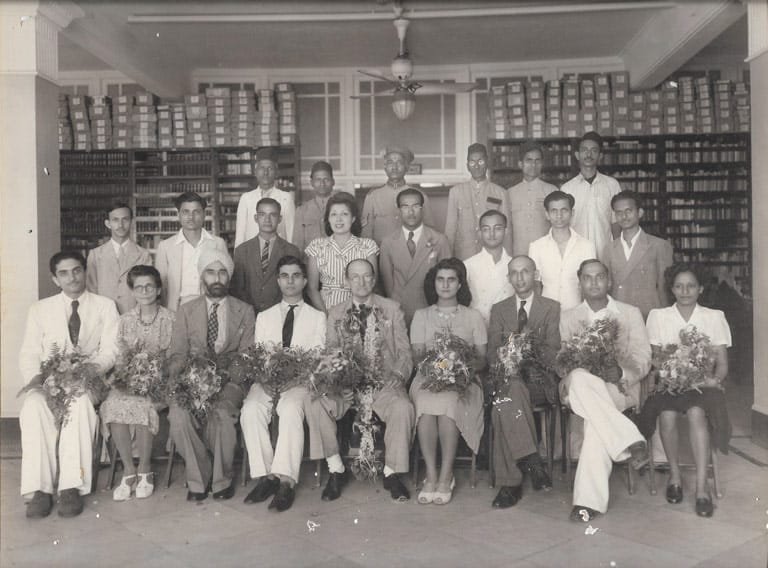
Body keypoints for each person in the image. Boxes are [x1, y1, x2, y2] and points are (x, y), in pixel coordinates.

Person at [305, 259, 416, 502]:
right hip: (347, 386)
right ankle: (336, 469)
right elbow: (331, 353)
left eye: (366, 276)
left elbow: (404, 352)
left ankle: (392, 472)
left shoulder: (392, 309)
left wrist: (398, 375)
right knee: (316, 403)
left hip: (383, 383)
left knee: (403, 407)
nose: (361, 282)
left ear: (374, 279)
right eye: (355, 277)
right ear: (347, 281)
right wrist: (338, 383)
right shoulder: (336, 313)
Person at [19, 252, 119, 518]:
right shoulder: (40, 309)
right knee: (33, 407)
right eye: (63, 273)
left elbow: (111, 350)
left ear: (85, 272)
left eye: (76, 270)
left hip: (87, 381)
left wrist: (86, 372)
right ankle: (39, 489)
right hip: (49, 382)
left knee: (80, 404)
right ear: (55, 279)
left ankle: (70, 487)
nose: (72, 278)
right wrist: (36, 381)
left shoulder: (105, 306)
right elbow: (29, 352)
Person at [635, 263, 732, 518]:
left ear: (701, 289)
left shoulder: (714, 317)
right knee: (667, 415)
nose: (685, 291)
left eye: (691, 286)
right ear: (672, 289)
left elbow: (722, 364)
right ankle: (675, 477)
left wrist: (713, 379)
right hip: (671, 383)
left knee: (696, 413)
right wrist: (672, 374)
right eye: (679, 286)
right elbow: (656, 360)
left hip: (703, 385)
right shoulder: (658, 316)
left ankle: (701, 488)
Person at [558, 259, 651, 522]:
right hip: (581, 386)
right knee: (579, 378)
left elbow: (644, 357)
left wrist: (621, 372)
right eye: (587, 277)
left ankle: (587, 504)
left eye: (599, 276)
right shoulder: (568, 317)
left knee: (595, 422)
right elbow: (562, 361)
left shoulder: (629, 313)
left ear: (609, 281)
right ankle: (629, 438)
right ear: (580, 283)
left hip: (618, 388)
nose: (594, 282)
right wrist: (580, 366)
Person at [167, 249, 255, 502]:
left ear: (229, 277)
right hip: (192, 379)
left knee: (223, 414)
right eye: (210, 272)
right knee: (178, 415)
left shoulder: (244, 310)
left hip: (230, 380)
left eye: (222, 272)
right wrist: (184, 379)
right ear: (202, 276)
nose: (216, 278)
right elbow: (178, 353)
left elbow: (247, 355)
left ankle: (221, 480)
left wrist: (222, 379)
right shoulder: (186, 310)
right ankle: (199, 476)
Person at [241, 256, 326, 512]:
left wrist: (297, 378)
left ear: (305, 281)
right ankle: (267, 476)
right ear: (278, 281)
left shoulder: (317, 317)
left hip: (300, 381)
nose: (290, 281)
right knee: (251, 410)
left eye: (296, 276)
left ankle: (286, 481)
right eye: (285, 276)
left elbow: (317, 355)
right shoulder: (264, 316)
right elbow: (259, 353)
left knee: (289, 410)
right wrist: (265, 379)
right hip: (267, 379)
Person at [409, 258, 486, 505]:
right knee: (424, 402)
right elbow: (418, 357)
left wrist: (458, 371)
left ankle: (446, 475)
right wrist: (436, 372)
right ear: (434, 283)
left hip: (463, 381)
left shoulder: (473, 316)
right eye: (440, 279)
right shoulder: (421, 316)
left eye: (451, 280)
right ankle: (431, 475)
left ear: (460, 284)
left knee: (449, 403)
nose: (445, 285)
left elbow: (482, 359)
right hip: (427, 379)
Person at [486, 255, 560, 508]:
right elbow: (491, 354)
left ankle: (511, 484)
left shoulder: (551, 307)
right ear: (508, 278)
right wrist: (508, 357)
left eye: (525, 271)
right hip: (509, 380)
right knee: (510, 392)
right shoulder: (499, 309)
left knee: (505, 401)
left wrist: (527, 348)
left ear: (535, 274)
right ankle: (532, 462)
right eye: (514, 273)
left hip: (539, 383)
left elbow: (553, 353)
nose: (520, 278)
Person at [100, 265, 175, 501]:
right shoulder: (124, 320)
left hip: (160, 381)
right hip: (130, 380)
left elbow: (175, 357)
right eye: (139, 287)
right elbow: (121, 357)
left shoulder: (170, 318)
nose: (144, 291)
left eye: (149, 286)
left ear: (158, 289)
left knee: (143, 405)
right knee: (114, 404)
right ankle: (128, 470)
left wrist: (153, 376)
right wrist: (127, 377)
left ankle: (145, 468)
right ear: (132, 291)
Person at [380, 188, 451, 326]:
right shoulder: (388, 243)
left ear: (422, 209)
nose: (411, 212)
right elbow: (387, 284)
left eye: (415, 206)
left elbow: (447, 280)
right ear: (398, 210)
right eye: (405, 206)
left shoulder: (439, 240)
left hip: (429, 310)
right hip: (399, 311)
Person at [603, 191, 673, 320]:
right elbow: (606, 288)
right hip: (619, 316)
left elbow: (664, 288)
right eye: (619, 212)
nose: (624, 216)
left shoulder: (659, 246)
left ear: (640, 212)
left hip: (649, 315)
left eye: (628, 211)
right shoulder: (608, 249)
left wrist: (665, 318)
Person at [305, 192, 378, 312]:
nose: (338, 219)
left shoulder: (368, 246)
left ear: (353, 218)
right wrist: (326, 316)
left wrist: (358, 314)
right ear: (328, 219)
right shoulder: (317, 246)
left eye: (344, 214)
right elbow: (312, 289)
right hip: (326, 308)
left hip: (360, 309)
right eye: (334, 214)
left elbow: (372, 285)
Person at [155, 192, 228, 311]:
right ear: (178, 215)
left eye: (196, 212)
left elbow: (224, 281)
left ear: (204, 214)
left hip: (209, 308)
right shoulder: (165, 246)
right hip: (176, 309)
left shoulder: (218, 243)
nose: (191, 217)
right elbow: (161, 285)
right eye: (186, 212)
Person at [230, 197, 302, 314]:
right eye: (262, 214)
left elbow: (294, 288)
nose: (267, 219)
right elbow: (237, 289)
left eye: (272, 215)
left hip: (280, 314)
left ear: (279, 219)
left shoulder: (291, 250)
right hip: (248, 315)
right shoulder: (242, 250)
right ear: (256, 218)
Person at [528, 191, 596, 311]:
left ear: (572, 213)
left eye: (564, 210)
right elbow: (535, 284)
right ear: (547, 214)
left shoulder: (587, 246)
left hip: (577, 311)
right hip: (546, 313)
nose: (559, 215)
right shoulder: (536, 246)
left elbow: (590, 284)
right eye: (554, 211)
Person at [444, 143, 511, 260]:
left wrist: (507, 259)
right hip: (463, 256)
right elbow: (450, 229)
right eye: (472, 162)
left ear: (487, 163)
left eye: (480, 161)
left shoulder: (500, 193)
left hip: (491, 256)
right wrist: (448, 259)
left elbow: (507, 230)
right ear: (467, 166)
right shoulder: (456, 192)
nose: (476, 166)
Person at [560, 131, 622, 256]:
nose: (589, 154)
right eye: (584, 150)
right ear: (577, 155)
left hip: (605, 252)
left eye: (594, 150)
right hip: (576, 254)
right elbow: (563, 225)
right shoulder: (567, 188)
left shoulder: (612, 185)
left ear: (600, 156)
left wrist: (617, 250)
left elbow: (616, 221)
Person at [86, 202, 152, 314]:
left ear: (131, 222)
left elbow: (147, 289)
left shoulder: (143, 254)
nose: (120, 225)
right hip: (104, 315)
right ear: (108, 223)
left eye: (125, 219)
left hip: (134, 315)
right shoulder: (95, 255)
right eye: (115, 220)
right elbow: (91, 290)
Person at [361, 145, 434, 244]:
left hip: (410, 251)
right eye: (390, 162)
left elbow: (429, 230)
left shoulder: (420, 195)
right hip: (380, 251)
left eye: (399, 162)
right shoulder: (373, 196)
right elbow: (366, 233)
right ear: (385, 167)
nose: (394, 167)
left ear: (407, 167)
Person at [235, 147, 295, 247]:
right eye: (262, 168)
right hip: (252, 252)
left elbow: (291, 232)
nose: (265, 172)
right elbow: (240, 235)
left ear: (276, 172)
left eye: (270, 168)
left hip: (279, 252)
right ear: (255, 172)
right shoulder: (246, 199)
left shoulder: (286, 198)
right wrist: (238, 255)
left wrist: (291, 254)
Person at [463, 210, 514, 325]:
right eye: (486, 229)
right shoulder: (468, 265)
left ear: (506, 231)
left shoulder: (514, 265)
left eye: (497, 228)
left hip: (507, 329)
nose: (492, 234)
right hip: (476, 327)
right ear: (479, 233)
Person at [507, 141, 558, 256]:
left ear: (542, 164)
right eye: (528, 160)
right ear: (520, 164)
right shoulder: (510, 193)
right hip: (518, 254)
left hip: (545, 253)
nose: (533, 165)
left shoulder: (552, 190)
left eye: (537, 161)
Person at [292, 161, 338, 251]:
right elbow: (297, 246)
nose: (322, 183)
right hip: (310, 259)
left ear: (333, 182)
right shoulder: (302, 211)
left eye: (326, 179)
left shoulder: (342, 209)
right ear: (312, 183)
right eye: (318, 180)